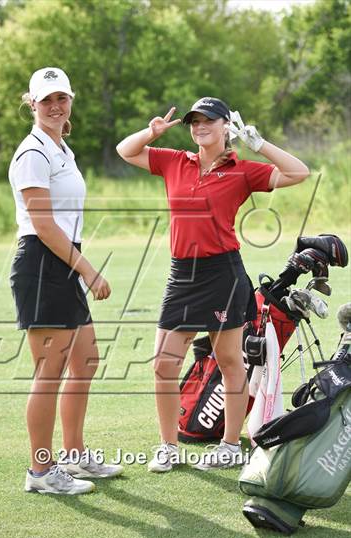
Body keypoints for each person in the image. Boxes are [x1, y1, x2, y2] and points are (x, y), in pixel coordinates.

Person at [116, 97, 309, 472]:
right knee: (163, 365)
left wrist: (260, 144)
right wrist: (151, 132)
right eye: (194, 121)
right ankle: (168, 446)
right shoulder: (174, 161)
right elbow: (126, 151)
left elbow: (298, 172)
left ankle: (228, 446)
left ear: (225, 126)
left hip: (223, 273)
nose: (199, 126)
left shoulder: (242, 170)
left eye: (208, 120)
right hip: (181, 276)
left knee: (229, 361)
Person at [9, 67, 123, 494]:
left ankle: (74, 456)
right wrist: (88, 270)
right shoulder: (33, 153)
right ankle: (41, 472)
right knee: (49, 373)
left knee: (86, 362)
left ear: (70, 101)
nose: (55, 106)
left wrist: (77, 268)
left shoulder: (61, 148)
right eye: (46, 100)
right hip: (43, 263)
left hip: (61, 263)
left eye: (62, 99)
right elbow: (43, 225)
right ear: (32, 104)